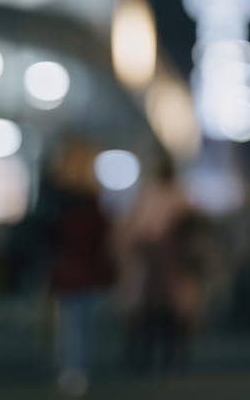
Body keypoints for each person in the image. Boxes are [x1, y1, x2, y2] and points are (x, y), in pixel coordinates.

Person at [113, 154, 205, 374]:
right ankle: (147, 356)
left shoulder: (175, 195)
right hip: (153, 263)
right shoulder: (163, 194)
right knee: (149, 314)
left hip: (169, 264)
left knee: (166, 314)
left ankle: (165, 357)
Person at [45, 140, 117, 396]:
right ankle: (78, 366)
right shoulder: (93, 201)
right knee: (84, 322)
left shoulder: (57, 200)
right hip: (89, 269)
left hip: (67, 267)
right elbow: (104, 237)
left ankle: (72, 368)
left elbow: (49, 235)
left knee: (70, 322)